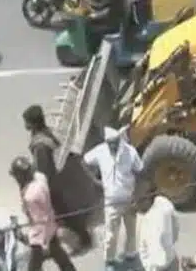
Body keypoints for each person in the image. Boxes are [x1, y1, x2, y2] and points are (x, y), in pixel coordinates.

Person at [23, 105, 93, 253]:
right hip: (55, 182)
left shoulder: (40, 145)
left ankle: (82, 240)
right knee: (63, 213)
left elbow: (44, 170)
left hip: (51, 187)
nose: (25, 125)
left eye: (27, 122)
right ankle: (81, 238)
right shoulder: (44, 133)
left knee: (63, 215)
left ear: (33, 123)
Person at [84, 126, 143, 270]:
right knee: (111, 234)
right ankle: (109, 261)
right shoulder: (100, 151)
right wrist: (94, 180)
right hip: (111, 202)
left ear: (119, 140)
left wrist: (137, 196)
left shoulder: (130, 152)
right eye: (110, 143)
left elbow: (140, 172)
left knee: (131, 230)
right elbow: (84, 161)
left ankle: (130, 255)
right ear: (106, 142)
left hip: (129, 200)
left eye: (115, 142)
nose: (113, 146)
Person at [9, 156, 77, 271]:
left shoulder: (31, 195)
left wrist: (42, 241)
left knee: (34, 267)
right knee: (60, 256)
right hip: (50, 224)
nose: (16, 179)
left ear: (22, 175)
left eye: (17, 175)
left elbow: (40, 220)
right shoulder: (40, 178)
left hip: (40, 234)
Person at [135, 182, 180, 271]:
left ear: (148, 197)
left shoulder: (162, 207)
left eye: (139, 199)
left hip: (161, 264)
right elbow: (176, 227)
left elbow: (175, 226)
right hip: (165, 262)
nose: (136, 203)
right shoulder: (164, 202)